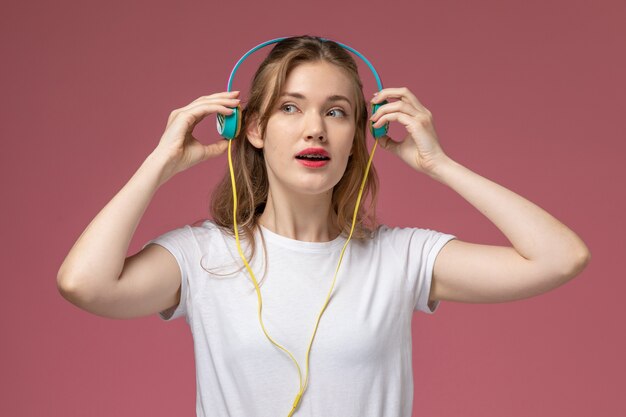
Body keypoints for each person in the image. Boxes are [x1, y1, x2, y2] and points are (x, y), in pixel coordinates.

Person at [56, 35, 591, 417]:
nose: (315, 128)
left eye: (336, 112)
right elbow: (85, 284)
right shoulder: (202, 255)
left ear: (361, 133)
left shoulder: (400, 258)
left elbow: (560, 257)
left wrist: (440, 165)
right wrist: (159, 164)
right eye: (291, 108)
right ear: (255, 128)